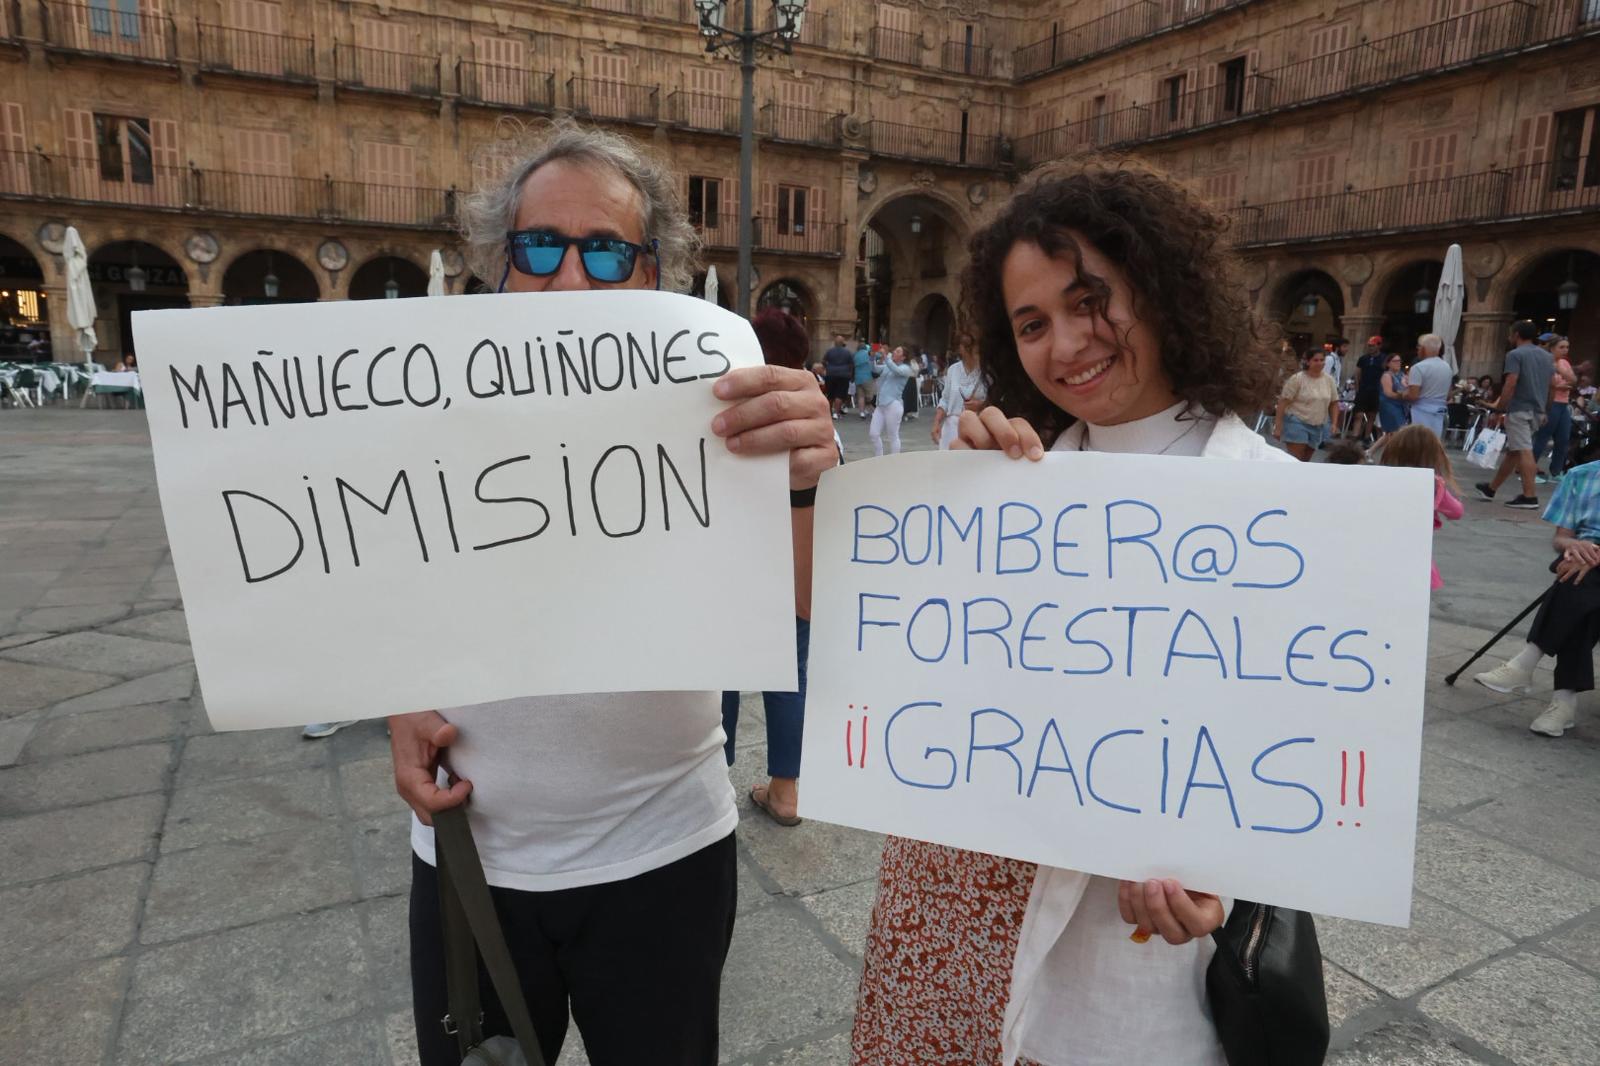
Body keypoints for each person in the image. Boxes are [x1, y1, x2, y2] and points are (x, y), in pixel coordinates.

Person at [391, 122, 836, 1066]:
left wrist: (804, 480)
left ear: (652, 272)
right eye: (539, 246)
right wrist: (396, 703)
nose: (568, 278)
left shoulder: (722, 408)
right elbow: (366, 579)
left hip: (663, 855)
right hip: (471, 858)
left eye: (604, 250)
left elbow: (806, 610)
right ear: (501, 265)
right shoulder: (417, 407)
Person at [852, 157, 1294, 1066]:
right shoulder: (1008, 483)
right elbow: (907, 659)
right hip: (952, 911)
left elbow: (1295, 765)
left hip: (1121, 968)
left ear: (1164, 288)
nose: (1066, 344)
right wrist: (954, 502)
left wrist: (1235, 882)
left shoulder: (1284, 512)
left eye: (1091, 301)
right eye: (1031, 324)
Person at [720, 307, 814, 827]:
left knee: (724, 673)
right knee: (789, 676)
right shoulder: (815, 417)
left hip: (734, 568)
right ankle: (786, 790)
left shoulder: (726, 411)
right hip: (792, 569)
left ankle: (716, 779)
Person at [1473, 439, 1600, 736]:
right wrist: (1575, 547)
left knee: (1578, 579)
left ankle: (1527, 665)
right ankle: (1563, 702)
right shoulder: (1581, 476)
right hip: (1585, 565)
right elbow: (1561, 538)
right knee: (1580, 582)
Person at [1475, 320, 1553, 509]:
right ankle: (1491, 488)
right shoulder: (1546, 356)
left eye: (1511, 334)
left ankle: (1529, 496)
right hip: (1537, 408)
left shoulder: (1515, 355)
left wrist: (1500, 408)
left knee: (1524, 449)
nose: (1509, 337)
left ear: (1516, 334)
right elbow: (1551, 385)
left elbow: (1511, 382)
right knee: (1515, 451)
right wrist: (1546, 409)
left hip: (1520, 408)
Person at [1378, 424, 1462, 589]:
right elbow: (1456, 512)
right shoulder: (1435, 485)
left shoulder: (1382, 480)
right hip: (1417, 558)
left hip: (1382, 552)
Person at [1273, 349, 1340, 460]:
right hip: (1297, 421)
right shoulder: (1297, 379)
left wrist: (1334, 423)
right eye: (1315, 360)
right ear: (1308, 362)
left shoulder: (1329, 380)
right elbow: (1283, 403)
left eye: (1322, 360)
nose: (1319, 363)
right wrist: (1278, 426)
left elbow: (1334, 403)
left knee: (1306, 459)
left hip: (1318, 425)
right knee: (1296, 459)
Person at [931, 331, 986, 449]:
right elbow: (945, 399)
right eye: (965, 346)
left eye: (972, 346)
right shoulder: (953, 370)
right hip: (951, 428)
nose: (970, 350)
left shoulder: (986, 372)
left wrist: (981, 405)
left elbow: (996, 401)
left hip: (977, 426)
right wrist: (936, 423)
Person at [1532, 333, 1576, 482]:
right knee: (1543, 437)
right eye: (1561, 347)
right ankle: (1529, 470)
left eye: (1567, 347)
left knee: (1563, 438)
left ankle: (1555, 471)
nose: (1565, 350)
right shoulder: (1544, 362)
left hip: (1564, 403)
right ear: (1552, 348)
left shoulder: (1564, 363)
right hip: (1550, 402)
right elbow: (1541, 384)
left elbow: (1573, 380)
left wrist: (1559, 370)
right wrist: (1559, 384)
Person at [869, 345, 914, 456]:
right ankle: (879, 458)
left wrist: (886, 357)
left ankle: (894, 460)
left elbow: (897, 371)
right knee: (873, 434)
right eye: (895, 350)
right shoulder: (888, 365)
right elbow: (874, 369)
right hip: (881, 404)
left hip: (893, 404)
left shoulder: (906, 368)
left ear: (903, 357)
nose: (894, 352)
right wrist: (871, 357)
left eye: (897, 351)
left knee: (893, 435)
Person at [1405, 333, 1452, 439]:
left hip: (1421, 412)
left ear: (1424, 349)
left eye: (1418, 346)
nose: (1417, 349)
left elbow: (1413, 396)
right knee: (1434, 444)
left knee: (1419, 443)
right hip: (1439, 412)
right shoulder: (1447, 367)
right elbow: (1448, 395)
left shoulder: (1418, 367)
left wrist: (1402, 395)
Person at [1349, 335, 1386, 442]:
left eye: (1373, 346)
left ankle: (1366, 436)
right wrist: (1357, 387)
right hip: (1363, 389)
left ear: (1379, 346)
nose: (1370, 348)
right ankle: (1355, 436)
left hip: (1376, 390)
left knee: (1371, 415)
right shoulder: (1363, 358)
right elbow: (1357, 373)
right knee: (1359, 414)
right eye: (1369, 346)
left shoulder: (1383, 358)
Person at [1371, 351, 1409, 453]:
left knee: (1391, 433)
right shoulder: (1387, 376)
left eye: (1399, 361)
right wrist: (1404, 395)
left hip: (1401, 406)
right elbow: (1388, 393)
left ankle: (1369, 452)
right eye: (1395, 361)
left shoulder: (1403, 375)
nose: (1398, 363)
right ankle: (1392, 454)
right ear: (1388, 363)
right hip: (1389, 406)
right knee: (1396, 432)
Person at [823, 333, 854, 419]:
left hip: (831, 374)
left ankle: (828, 413)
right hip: (843, 375)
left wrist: (828, 367)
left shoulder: (829, 351)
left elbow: (824, 361)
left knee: (830, 395)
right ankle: (836, 413)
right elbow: (852, 364)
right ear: (843, 343)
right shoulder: (848, 352)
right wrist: (850, 374)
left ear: (835, 343)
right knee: (839, 394)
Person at [853, 338, 876, 418]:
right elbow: (878, 355)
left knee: (861, 396)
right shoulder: (868, 353)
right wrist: (874, 347)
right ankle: (872, 411)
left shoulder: (855, 355)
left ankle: (862, 413)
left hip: (857, 378)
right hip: (867, 377)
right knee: (870, 395)